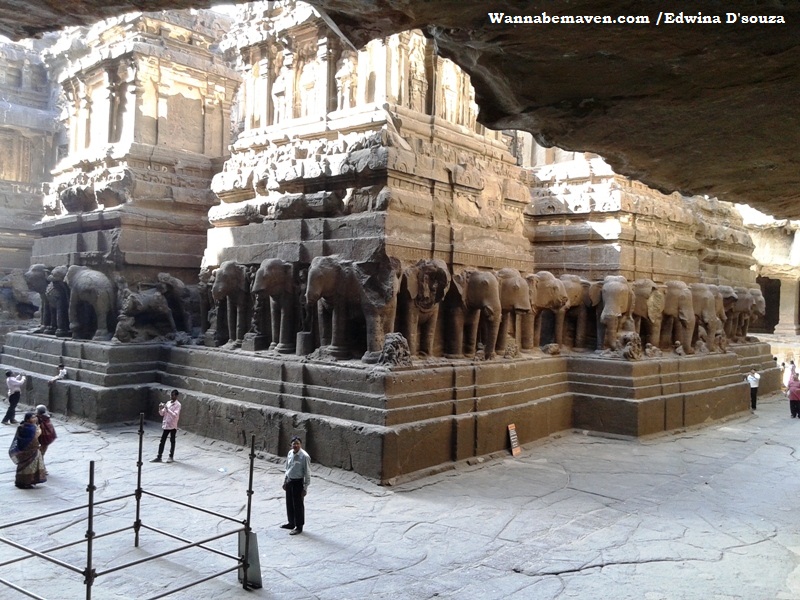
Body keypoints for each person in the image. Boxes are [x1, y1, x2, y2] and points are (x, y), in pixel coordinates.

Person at [281, 436, 311, 536]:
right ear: (291, 445)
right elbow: (287, 467)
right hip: (290, 481)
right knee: (289, 503)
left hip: (298, 483)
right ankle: (291, 523)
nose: (296, 445)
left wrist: (305, 488)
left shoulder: (304, 456)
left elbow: (307, 473)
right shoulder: (290, 453)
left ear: (300, 444)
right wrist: (285, 481)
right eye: (294, 443)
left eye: (297, 443)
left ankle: (299, 526)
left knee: (298, 505)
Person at [9, 412, 47, 489]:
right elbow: (33, 437)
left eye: (35, 417)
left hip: (32, 450)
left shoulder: (24, 426)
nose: (35, 419)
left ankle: (27, 481)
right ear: (27, 419)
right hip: (29, 450)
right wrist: (39, 431)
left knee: (30, 467)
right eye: (32, 418)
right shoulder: (30, 428)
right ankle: (26, 482)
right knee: (28, 467)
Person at [150, 390, 181, 463]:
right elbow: (162, 413)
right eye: (171, 395)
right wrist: (160, 408)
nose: (171, 397)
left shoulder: (178, 405)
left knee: (172, 441)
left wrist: (167, 409)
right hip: (166, 425)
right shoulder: (168, 403)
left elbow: (175, 415)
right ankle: (159, 456)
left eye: (173, 395)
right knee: (162, 441)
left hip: (173, 425)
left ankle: (171, 456)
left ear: (176, 396)